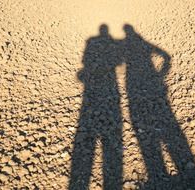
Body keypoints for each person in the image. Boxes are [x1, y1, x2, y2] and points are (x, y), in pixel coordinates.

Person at [122, 24, 195, 188]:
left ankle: (160, 178)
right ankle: (185, 175)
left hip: (137, 89)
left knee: (148, 134)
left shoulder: (136, 45)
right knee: (170, 128)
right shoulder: (143, 44)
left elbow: (166, 57)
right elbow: (166, 57)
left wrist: (161, 75)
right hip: (151, 87)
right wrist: (161, 75)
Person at [69, 24, 123, 190]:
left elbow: (85, 60)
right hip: (110, 93)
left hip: (92, 96)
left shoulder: (91, 41)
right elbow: (119, 59)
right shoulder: (98, 42)